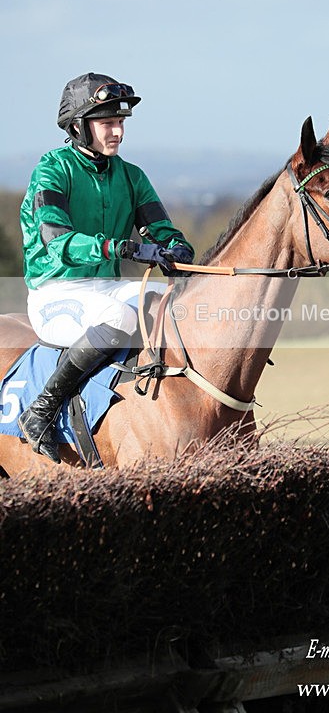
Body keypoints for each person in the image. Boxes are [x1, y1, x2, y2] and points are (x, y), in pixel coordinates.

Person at [18, 72, 195, 464]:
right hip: (55, 292)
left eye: (120, 123)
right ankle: (41, 412)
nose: (117, 132)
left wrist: (176, 247)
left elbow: (161, 228)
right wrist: (123, 247)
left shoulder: (132, 175)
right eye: (107, 123)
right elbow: (56, 240)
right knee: (119, 315)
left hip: (105, 288)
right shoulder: (52, 170)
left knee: (161, 303)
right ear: (79, 126)